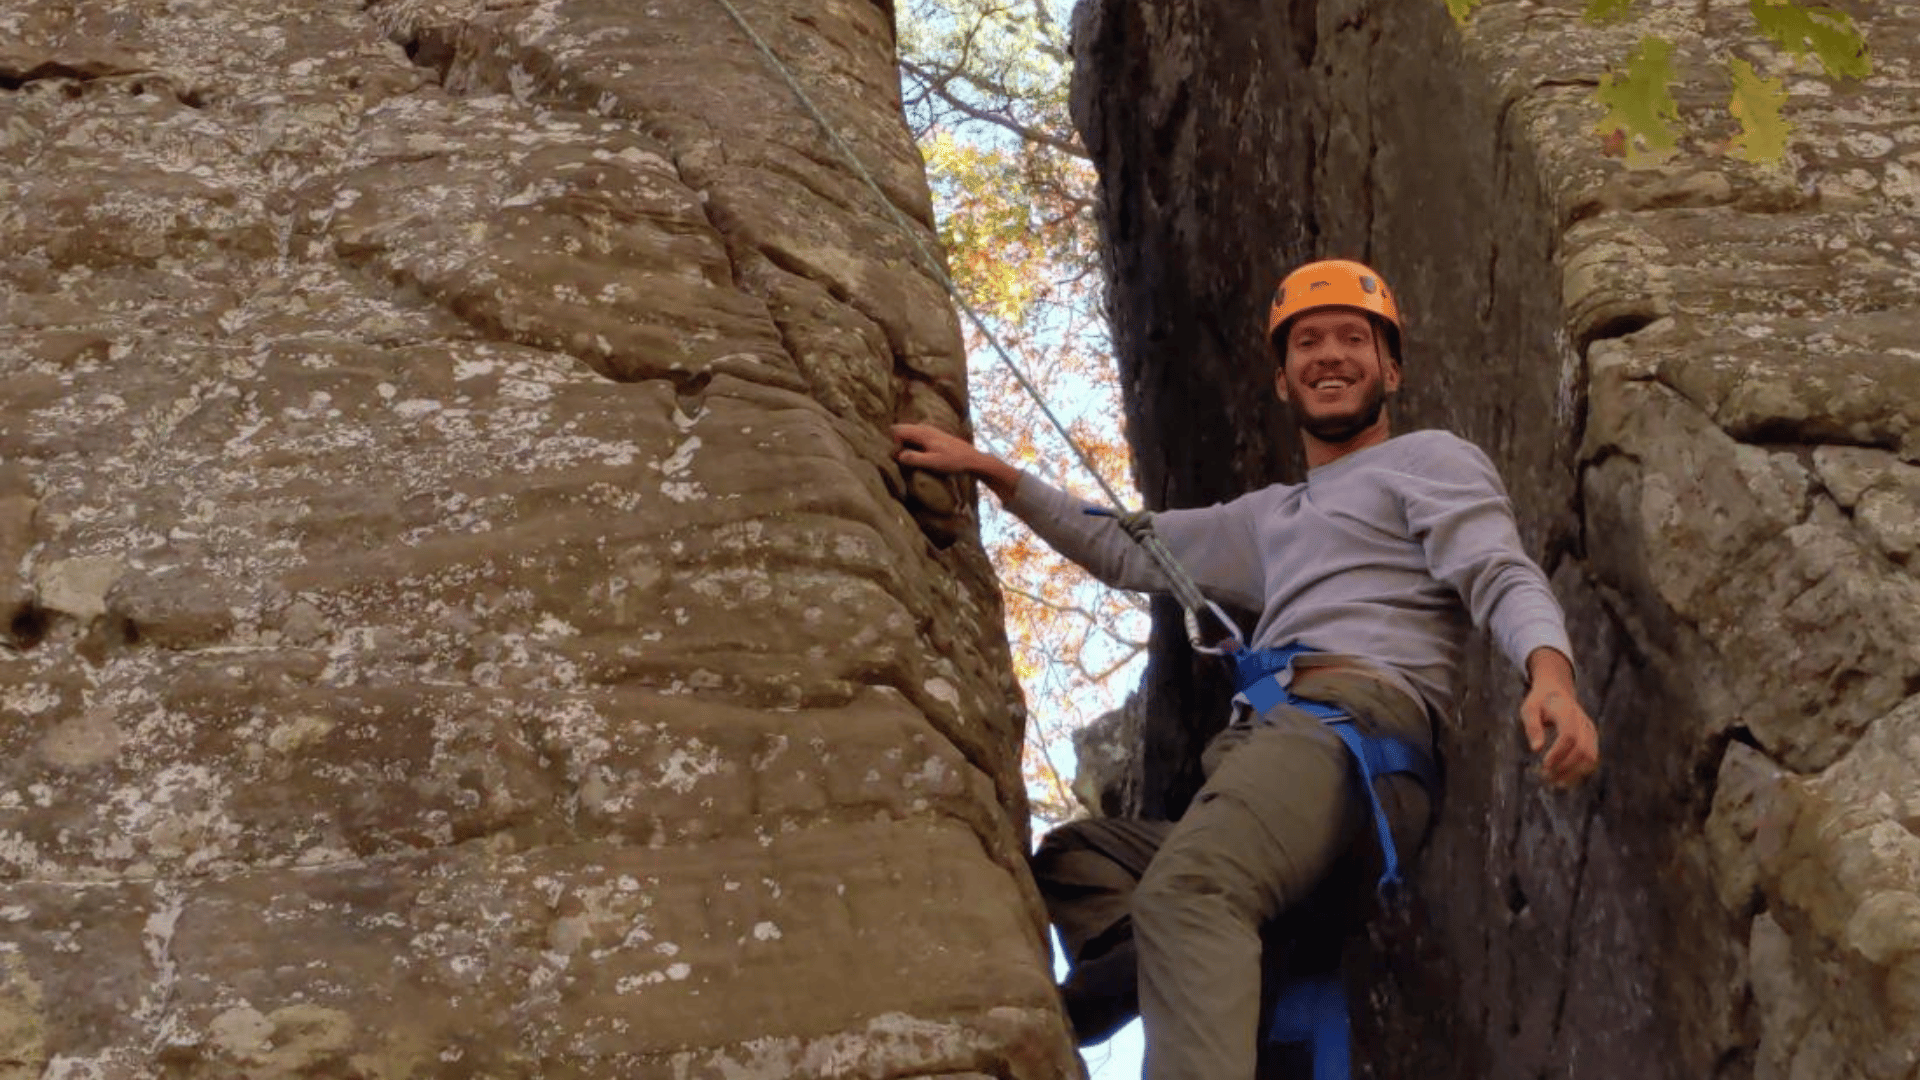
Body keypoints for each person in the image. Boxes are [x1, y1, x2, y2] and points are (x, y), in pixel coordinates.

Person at [891, 258, 1600, 1080]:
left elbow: (1497, 570)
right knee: (1082, 857)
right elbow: (1124, 545)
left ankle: (1136, 980)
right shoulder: (1271, 518)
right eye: (1308, 343)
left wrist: (1551, 676)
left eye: (1352, 341)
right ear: (1281, 380)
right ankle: (1157, 973)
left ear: (1390, 370)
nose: (1330, 356)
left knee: (1190, 892)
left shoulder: (1429, 461)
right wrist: (992, 473)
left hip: (1351, 726)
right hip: (1274, 753)